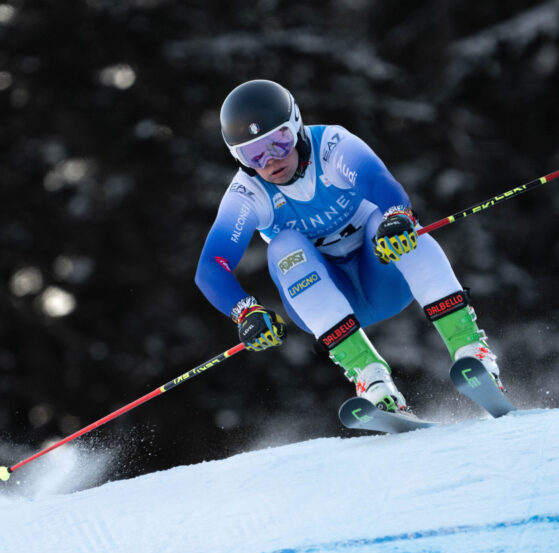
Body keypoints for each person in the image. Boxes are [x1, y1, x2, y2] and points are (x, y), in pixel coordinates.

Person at [195, 79, 501, 415]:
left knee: (386, 223)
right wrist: (245, 311)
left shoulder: (332, 145)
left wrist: (397, 216)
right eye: (252, 154)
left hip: (384, 276)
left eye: (278, 143)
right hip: (323, 300)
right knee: (283, 245)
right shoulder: (247, 193)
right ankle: (372, 381)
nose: (269, 161)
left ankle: (472, 349)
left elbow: (376, 180)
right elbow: (211, 265)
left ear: (296, 126)